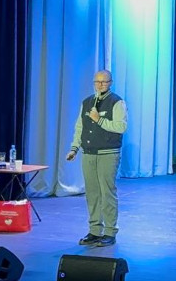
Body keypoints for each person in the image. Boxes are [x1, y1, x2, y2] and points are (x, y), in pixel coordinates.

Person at [65, 70, 128, 247]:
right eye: (97, 82)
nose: (100, 85)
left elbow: (121, 127)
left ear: (110, 83)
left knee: (107, 192)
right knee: (92, 193)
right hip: (89, 153)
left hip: (108, 153)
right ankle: (94, 230)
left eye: (104, 82)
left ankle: (110, 232)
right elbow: (80, 127)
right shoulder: (86, 102)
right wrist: (74, 148)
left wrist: (99, 120)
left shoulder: (117, 102)